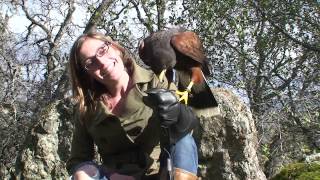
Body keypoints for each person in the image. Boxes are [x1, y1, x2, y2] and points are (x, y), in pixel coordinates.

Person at [67, 31, 199, 180]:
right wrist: (100, 174)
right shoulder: (87, 109)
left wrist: (177, 111)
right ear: (86, 73)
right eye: (90, 62)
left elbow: (188, 125)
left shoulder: (156, 82)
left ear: (115, 48)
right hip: (114, 177)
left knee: (183, 139)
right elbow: (78, 160)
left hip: (161, 173)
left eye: (102, 50)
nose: (102, 62)